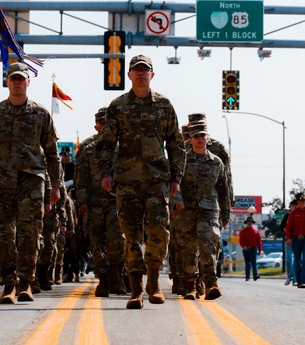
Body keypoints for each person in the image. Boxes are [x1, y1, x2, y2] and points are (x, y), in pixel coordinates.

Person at [96, 54, 185, 308]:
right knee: (131, 235)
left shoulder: (165, 106)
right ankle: (136, 289)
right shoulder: (118, 106)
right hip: (127, 180)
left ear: (152, 75)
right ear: (130, 76)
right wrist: (106, 173)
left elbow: (176, 144)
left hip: (157, 180)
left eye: (146, 70)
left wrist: (176, 177)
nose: (141, 74)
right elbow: (106, 144)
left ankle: (154, 282)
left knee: (158, 230)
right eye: (137, 70)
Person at [0, 63, 62, 305]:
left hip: (31, 181)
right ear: (7, 82)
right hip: (0, 182)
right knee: (4, 235)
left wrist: (56, 185)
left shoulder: (40, 114)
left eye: (22, 79)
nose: (18, 82)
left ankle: (25, 283)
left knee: (29, 233)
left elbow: (52, 152)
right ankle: (8, 283)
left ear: (28, 83)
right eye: (13, 79)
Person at [172, 124, 231, 300]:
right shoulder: (182, 160)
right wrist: (177, 201)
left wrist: (225, 214)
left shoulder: (216, 162)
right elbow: (174, 183)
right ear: (190, 139)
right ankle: (191, 286)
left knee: (209, 245)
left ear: (207, 138)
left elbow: (224, 189)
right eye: (196, 135)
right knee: (189, 249)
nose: (199, 138)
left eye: (202, 135)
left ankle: (211, 284)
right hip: (187, 210)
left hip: (209, 209)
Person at [74, 107, 125, 297]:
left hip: (116, 204)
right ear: (96, 126)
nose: (104, 126)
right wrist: (82, 204)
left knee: (117, 240)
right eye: (101, 123)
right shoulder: (88, 150)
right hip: (94, 204)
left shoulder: (121, 149)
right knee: (97, 242)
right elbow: (81, 180)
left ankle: (115, 275)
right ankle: (103, 280)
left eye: (108, 123)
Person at [284, 194, 305, 289]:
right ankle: (298, 280)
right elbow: (289, 227)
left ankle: (303, 281)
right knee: (297, 261)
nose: (302, 202)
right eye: (300, 201)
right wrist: (288, 238)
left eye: (304, 201)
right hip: (296, 239)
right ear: (297, 202)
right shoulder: (293, 213)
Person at [238, 216, 262, 282]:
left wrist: (260, 249)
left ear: (252, 223)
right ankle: (247, 276)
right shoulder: (243, 231)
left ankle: (255, 275)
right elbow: (241, 240)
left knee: (254, 262)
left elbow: (259, 241)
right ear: (246, 223)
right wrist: (244, 246)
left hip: (254, 248)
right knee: (247, 263)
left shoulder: (256, 232)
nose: (249, 223)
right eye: (248, 222)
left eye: (250, 222)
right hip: (246, 249)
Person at [279, 199, 298, 285]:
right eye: (292, 205)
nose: (294, 207)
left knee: (296, 259)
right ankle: (289, 276)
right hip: (289, 240)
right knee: (289, 259)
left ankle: (295, 279)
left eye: (295, 205)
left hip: (297, 239)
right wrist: (287, 232)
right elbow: (282, 227)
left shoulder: (299, 216)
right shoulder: (287, 216)